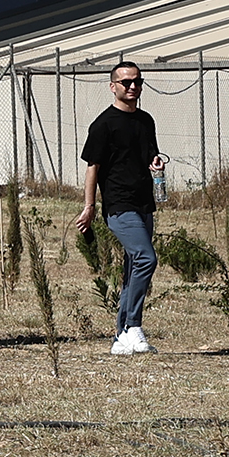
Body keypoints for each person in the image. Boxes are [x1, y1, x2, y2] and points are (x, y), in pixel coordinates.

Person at [75, 62, 167, 356]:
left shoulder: (147, 120)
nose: (132, 86)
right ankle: (132, 325)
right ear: (113, 86)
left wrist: (155, 164)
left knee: (132, 267)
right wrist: (89, 206)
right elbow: (93, 168)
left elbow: (147, 155)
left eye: (137, 81)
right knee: (145, 259)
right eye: (126, 82)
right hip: (118, 204)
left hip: (143, 203)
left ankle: (121, 337)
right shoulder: (104, 124)